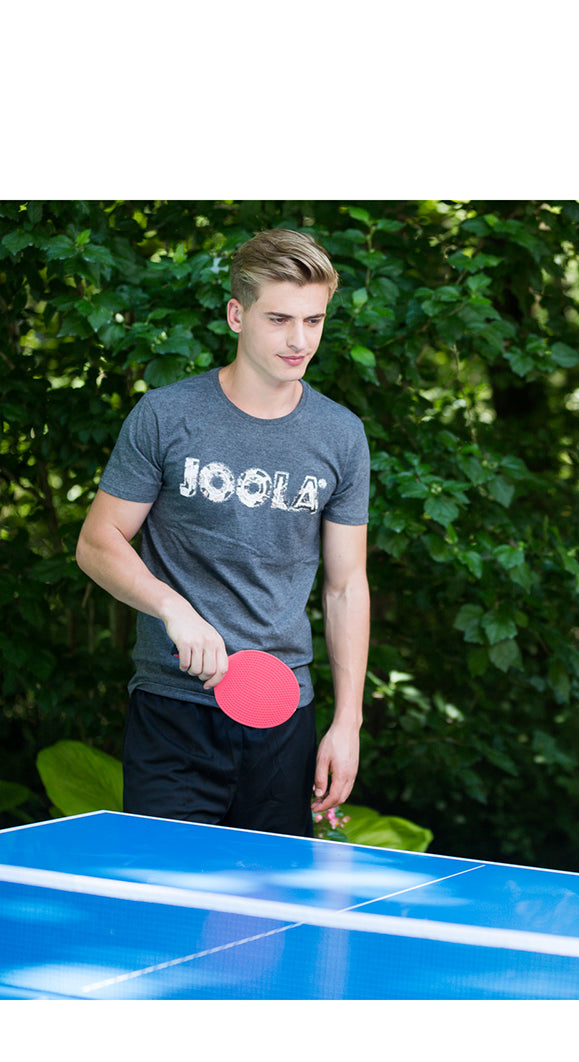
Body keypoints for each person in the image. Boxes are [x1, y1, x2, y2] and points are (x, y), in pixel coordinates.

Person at [77, 228, 371, 837]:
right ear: (237, 315)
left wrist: (348, 723)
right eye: (279, 319)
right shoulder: (166, 415)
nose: (299, 340)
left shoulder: (341, 436)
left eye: (314, 321)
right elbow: (97, 542)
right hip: (173, 710)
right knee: (168, 908)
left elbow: (346, 588)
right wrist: (173, 608)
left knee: (265, 924)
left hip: (282, 712)